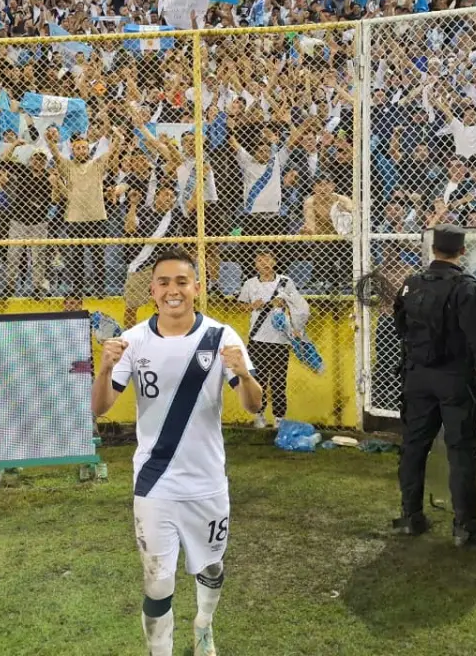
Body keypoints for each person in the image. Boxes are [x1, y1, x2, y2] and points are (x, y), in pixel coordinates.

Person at [91, 246, 264, 656]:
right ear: (152, 290)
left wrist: (242, 373)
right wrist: (102, 367)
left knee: (211, 567)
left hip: (207, 481)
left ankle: (203, 625)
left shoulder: (222, 337)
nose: (173, 291)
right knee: (157, 579)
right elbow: (98, 408)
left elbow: (254, 405)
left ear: (197, 288)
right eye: (164, 282)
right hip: (155, 482)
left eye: (182, 282)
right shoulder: (131, 341)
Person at [392, 223, 476, 545]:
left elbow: (399, 323)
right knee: (461, 451)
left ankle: (410, 516)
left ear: (433, 250)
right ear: (462, 251)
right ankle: (464, 525)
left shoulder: (411, 284)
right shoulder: (466, 288)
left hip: (416, 376)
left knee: (413, 447)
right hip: (455, 378)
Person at [236, 247, 310, 429]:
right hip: (257, 339)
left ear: (274, 261)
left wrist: (285, 302)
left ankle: (279, 418)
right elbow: (240, 306)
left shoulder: (286, 282)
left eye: (267, 259)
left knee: (278, 381)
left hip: (280, 339)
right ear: (255, 265)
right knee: (258, 380)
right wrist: (253, 306)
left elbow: (299, 306)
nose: (264, 263)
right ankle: (259, 415)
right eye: (260, 260)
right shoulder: (250, 284)